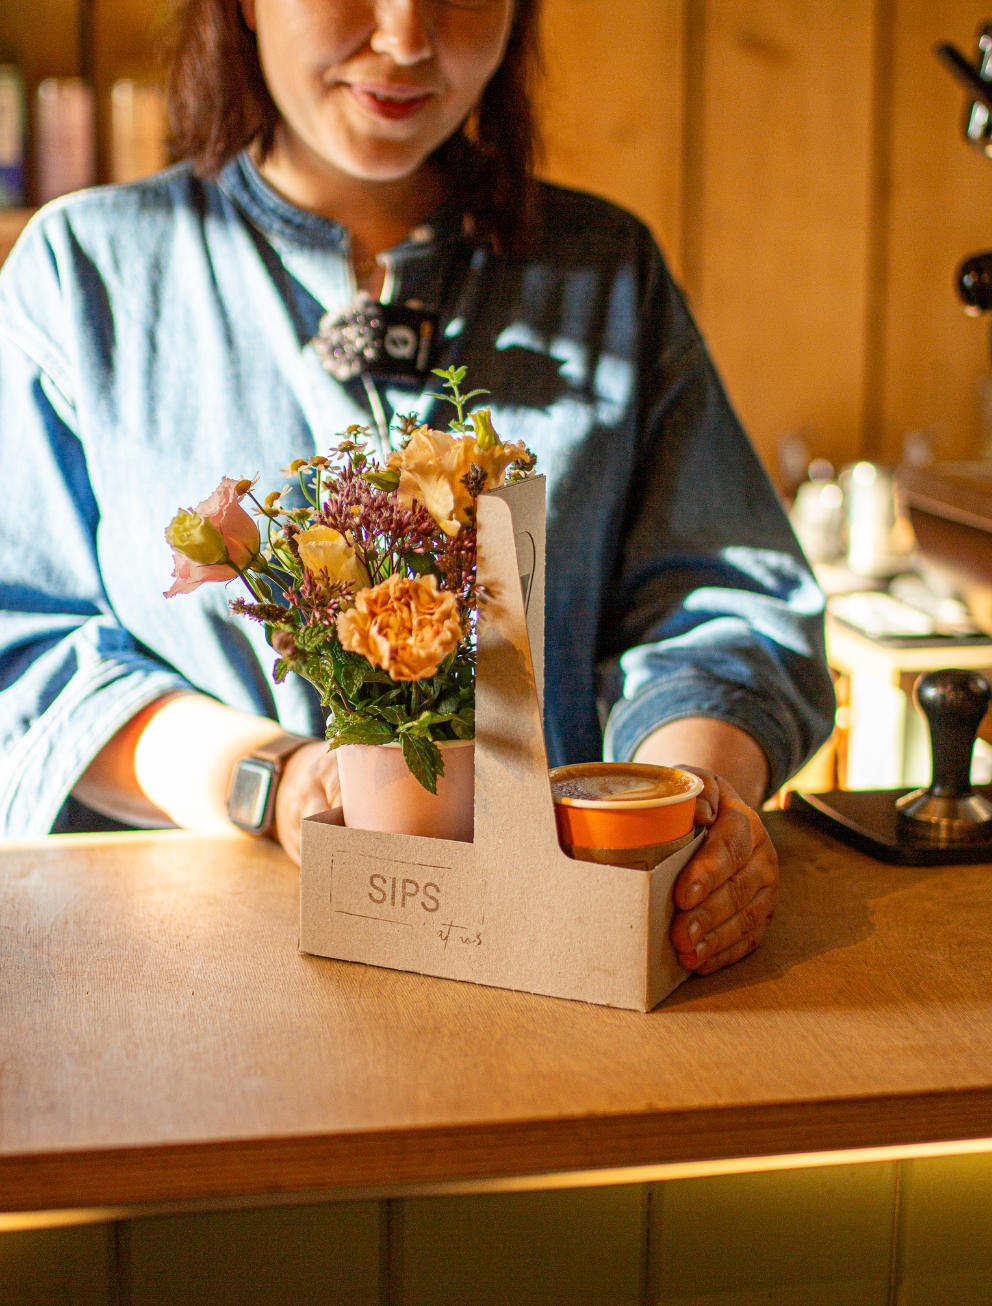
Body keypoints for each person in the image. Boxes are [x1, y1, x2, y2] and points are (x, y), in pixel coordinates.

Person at [0, 0, 834, 976]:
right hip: (192, 979)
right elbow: (25, 652)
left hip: (558, 968)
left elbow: (722, 600)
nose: (403, 38)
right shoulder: (83, 272)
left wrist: (691, 802)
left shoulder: (605, 273)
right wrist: (276, 782)